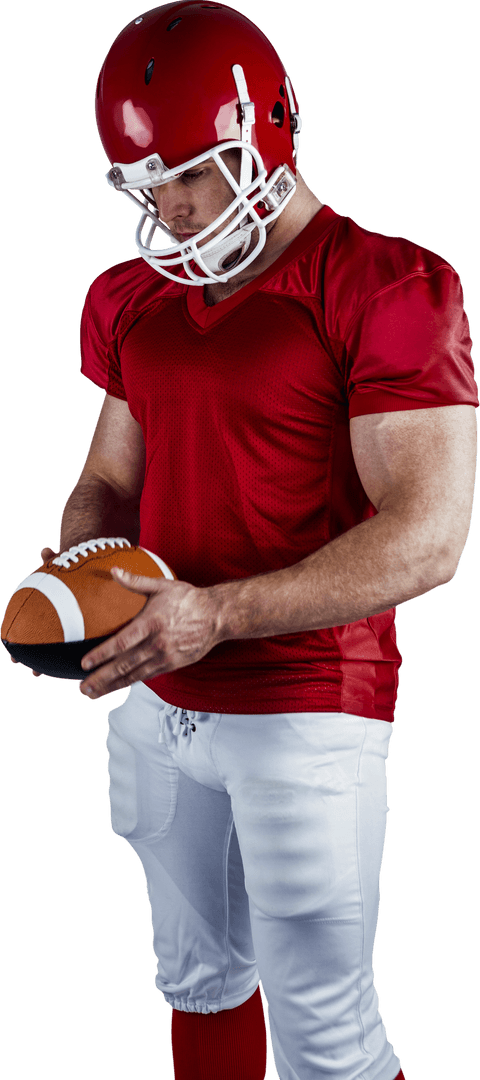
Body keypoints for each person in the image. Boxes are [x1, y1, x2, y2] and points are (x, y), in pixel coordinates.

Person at [24, 2, 477, 1078]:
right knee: (197, 982)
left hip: (308, 710)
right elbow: (106, 480)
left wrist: (215, 613)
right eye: (148, 187)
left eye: (191, 173)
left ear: (267, 129)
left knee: (328, 1032)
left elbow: (429, 538)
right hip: (161, 704)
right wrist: (85, 574)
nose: (172, 210)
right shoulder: (133, 298)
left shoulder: (389, 285)